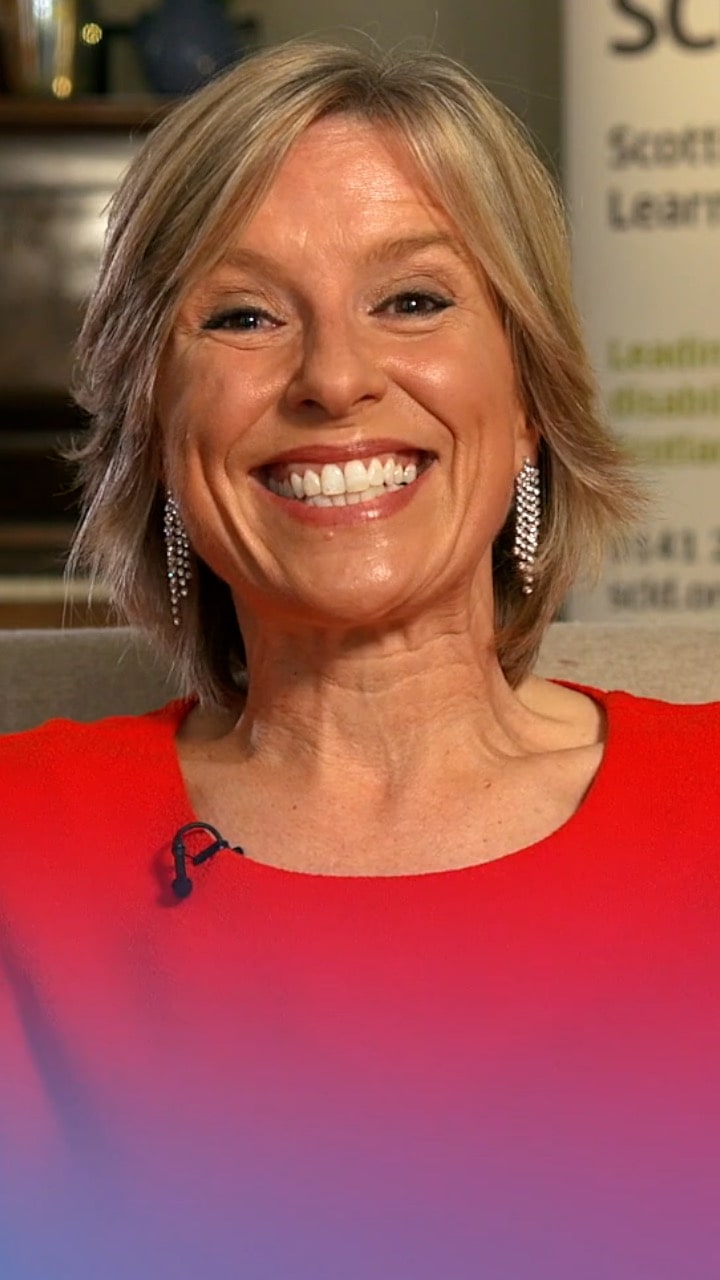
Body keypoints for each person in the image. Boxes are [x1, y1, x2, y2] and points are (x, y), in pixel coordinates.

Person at [1, 38, 719, 1280]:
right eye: (242, 316)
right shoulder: (22, 844)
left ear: (530, 385)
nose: (335, 377)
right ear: (160, 425)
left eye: (415, 300)